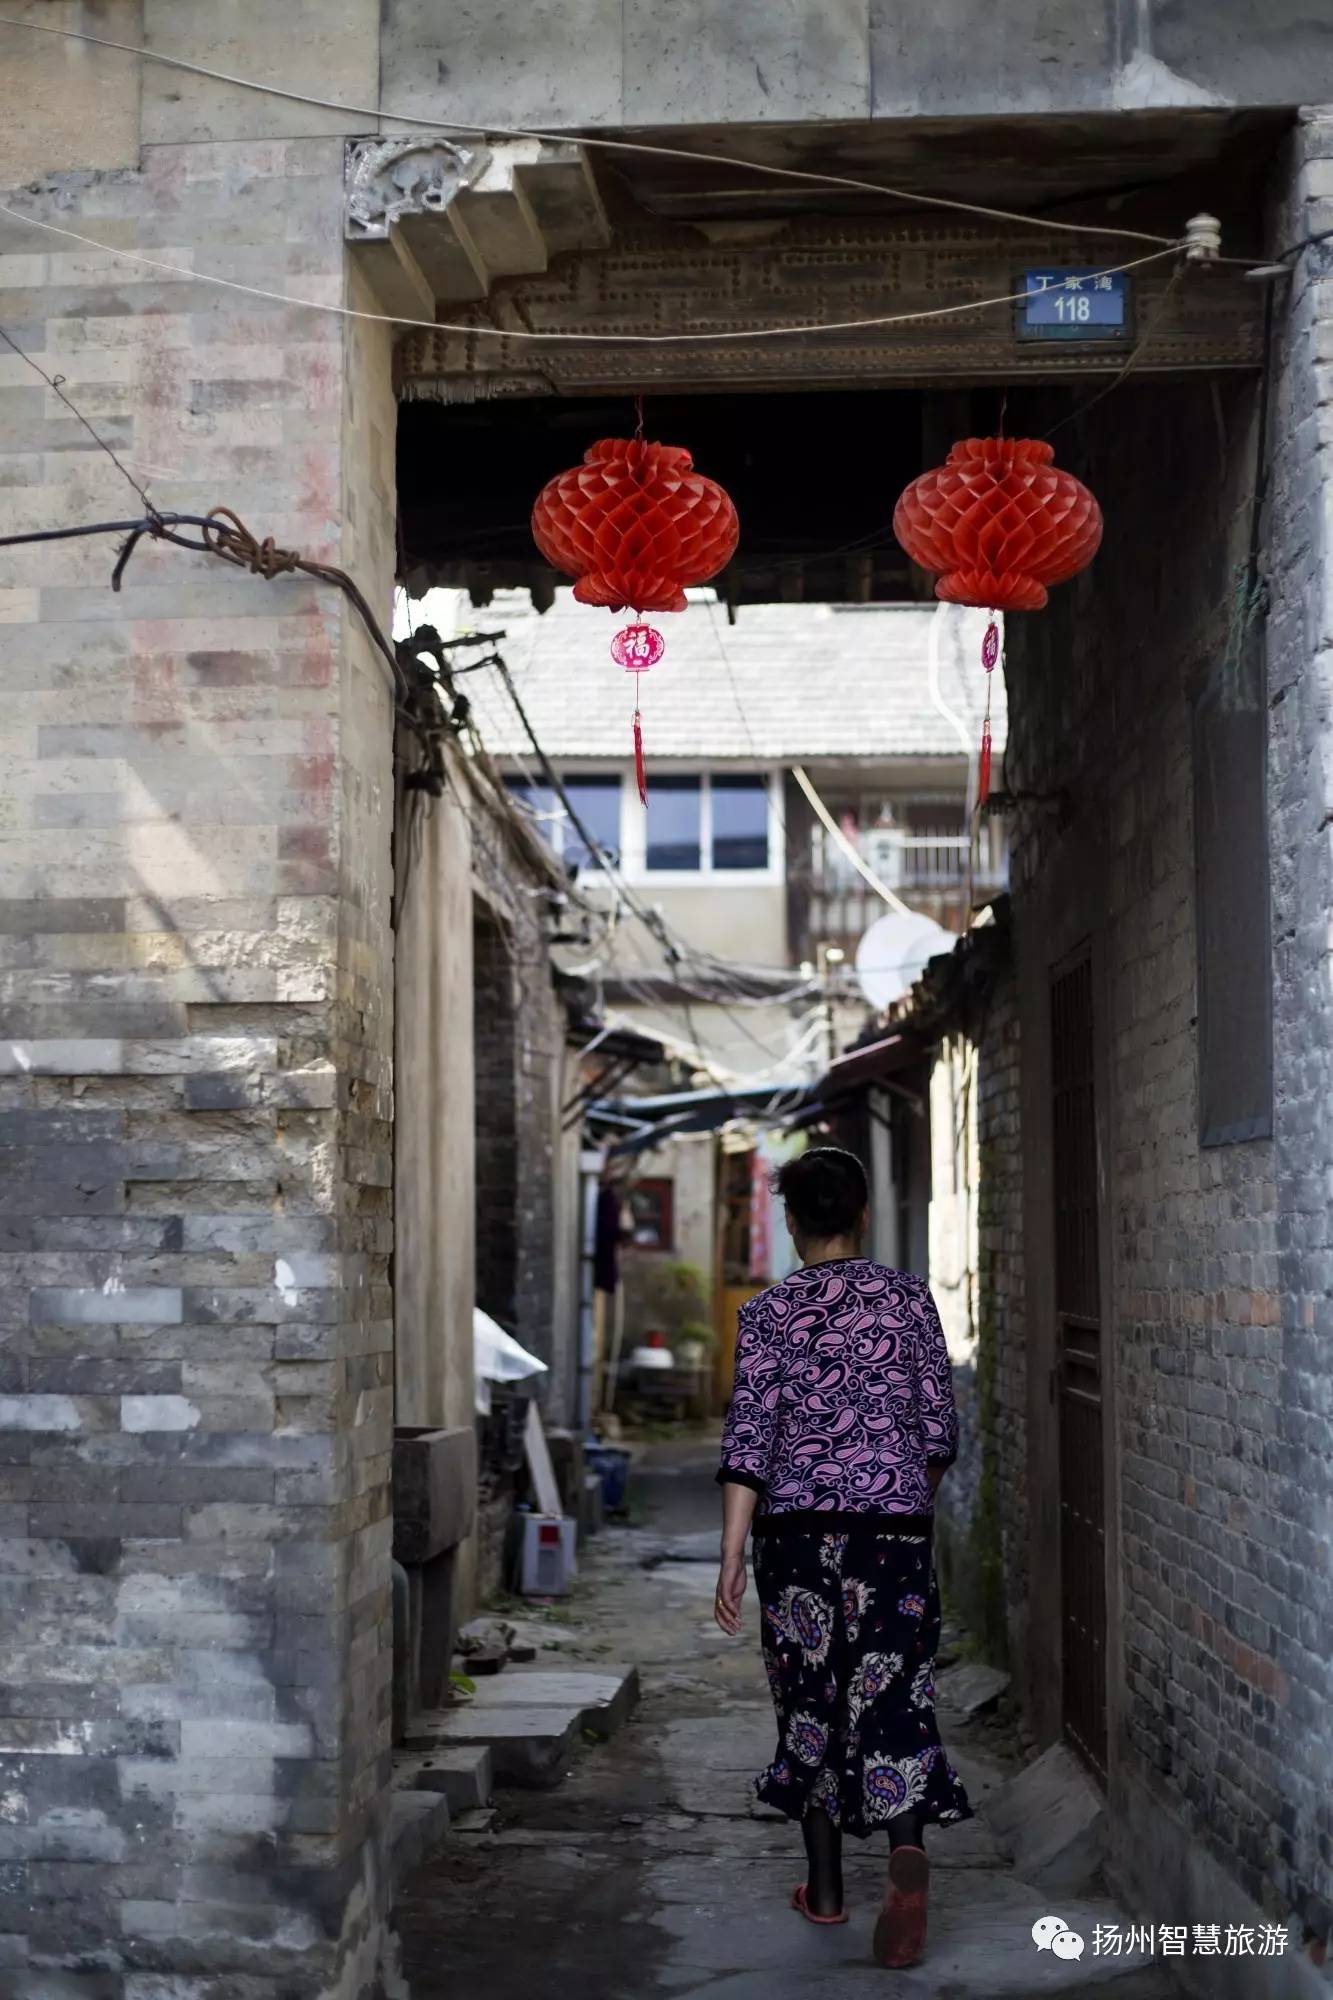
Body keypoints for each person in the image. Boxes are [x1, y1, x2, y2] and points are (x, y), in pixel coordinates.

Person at [713, 1146, 971, 1969]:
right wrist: (905, 1503)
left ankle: (824, 1891)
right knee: (894, 1694)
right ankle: (904, 1849)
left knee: (810, 1701)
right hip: (892, 1531)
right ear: (860, 1215)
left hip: (794, 1538)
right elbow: (938, 1432)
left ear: (792, 1222)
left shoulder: (768, 1315)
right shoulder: (908, 1302)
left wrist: (728, 1558)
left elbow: (748, 1445)